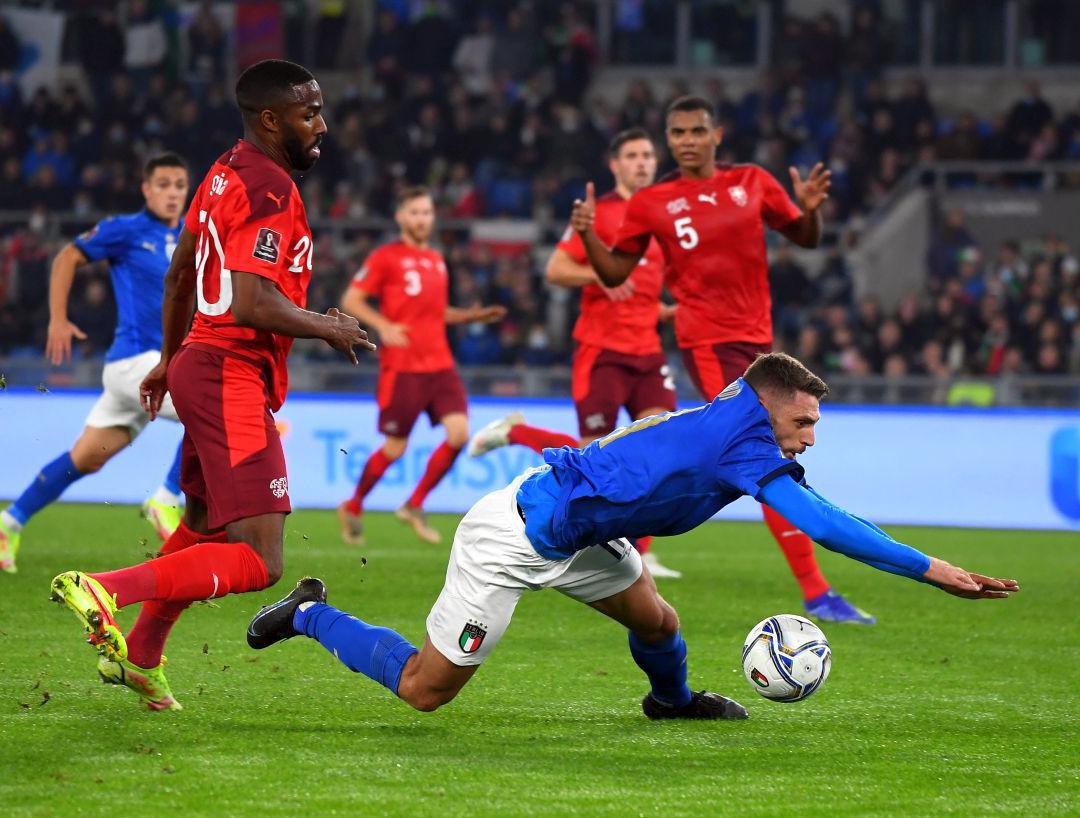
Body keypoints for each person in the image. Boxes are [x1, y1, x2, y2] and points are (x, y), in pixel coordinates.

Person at [249, 353, 1017, 719]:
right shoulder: (742, 441)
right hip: (515, 537)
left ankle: (671, 703)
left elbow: (663, 426)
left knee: (659, 621)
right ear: (767, 405)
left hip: (585, 530)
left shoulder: (736, 411)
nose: (810, 436)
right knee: (425, 691)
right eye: (804, 421)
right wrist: (933, 569)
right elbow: (825, 526)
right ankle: (311, 611)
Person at [48, 60, 373, 711]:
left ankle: (141, 656)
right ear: (271, 119)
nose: (323, 125)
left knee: (198, 525)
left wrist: (172, 358)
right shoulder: (274, 191)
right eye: (310, 113)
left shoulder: (223, 171)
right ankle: (107, 588)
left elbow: (179, 276)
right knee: (262, 559)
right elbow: (251, 301)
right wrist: (325, 324)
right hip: (229, 373)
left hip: (200, 361)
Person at [570, 95, 874, 624]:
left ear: (717, 135)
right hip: (706, 341)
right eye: (678, 133)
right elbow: (615, 272)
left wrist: (810, 209)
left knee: (758, 455)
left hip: (759, 339)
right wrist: (587, 235)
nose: (687, 140)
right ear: (671, 139)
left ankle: (812, 589)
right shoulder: (654, 201)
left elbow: (804, 237)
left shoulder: (753, 181)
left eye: (696, 131)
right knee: (764, 456)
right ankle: (816, 591)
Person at [466, 127, 681, 578]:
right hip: (601, 350)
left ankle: (641, 552)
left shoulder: (662, 216)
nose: (643, 162)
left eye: (648, 155)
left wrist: (662, 308)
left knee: (663, 448)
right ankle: (518, 432)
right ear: (615, 164)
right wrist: (601, 277)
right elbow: (556, 268)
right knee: (594, 457)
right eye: (633, 155)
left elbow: (648, 282)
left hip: (646, 351)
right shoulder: (598, 213)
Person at [0, 153, 192, 573]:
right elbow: (66, 258)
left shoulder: (194, 234)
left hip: (157, 366)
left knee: (87, 457)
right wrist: (58, 319)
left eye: (180, 185)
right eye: (163, 184)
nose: (172, 193)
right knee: (212, 412)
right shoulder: (125, 230)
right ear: (146, 190)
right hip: (137, 361)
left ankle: (7, 521)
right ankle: (167, 499)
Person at [337, 187, 506, 546]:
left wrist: (470, 316)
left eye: (427, 212)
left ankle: (414, 504)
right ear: (401, 217)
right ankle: (352, 505)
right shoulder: (386, 257)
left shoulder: (436, 258)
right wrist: (383, 326)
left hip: (440, 365)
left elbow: (435, 313)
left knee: (459, 434)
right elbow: (352, 299)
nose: (422, 219)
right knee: (395, 448)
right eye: (415, 212)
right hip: (404, 367)